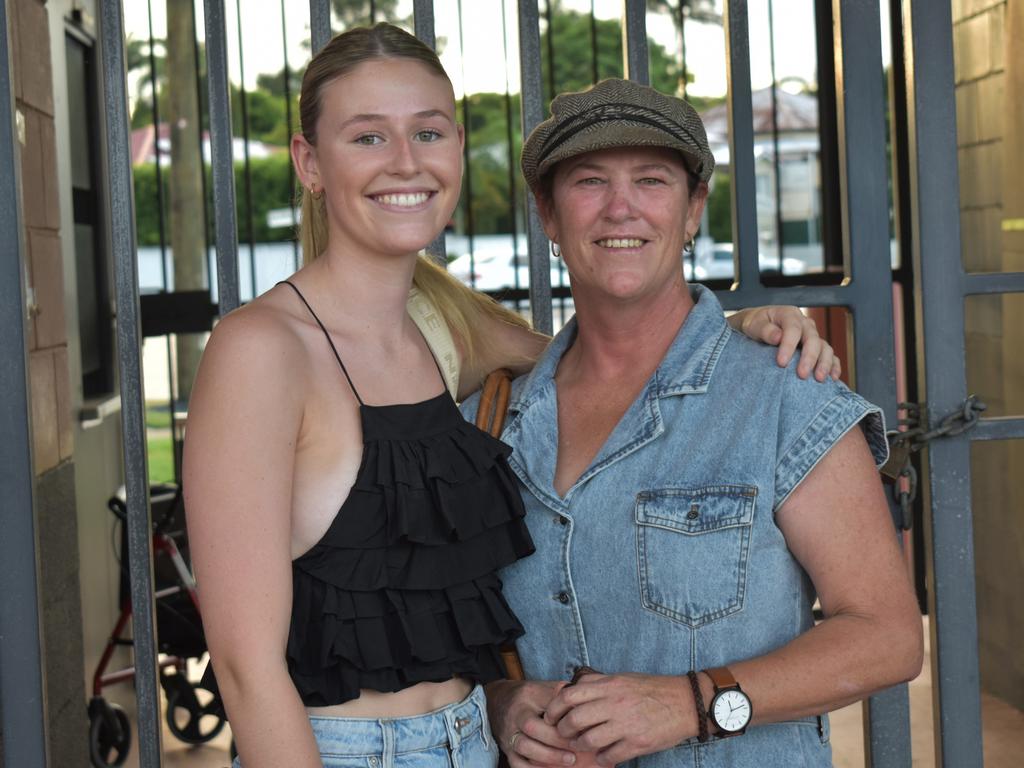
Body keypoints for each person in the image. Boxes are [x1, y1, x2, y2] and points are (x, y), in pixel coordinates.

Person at [183, 24, 843, 768]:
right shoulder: (260, 351)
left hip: (473, 742)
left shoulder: (445, 336)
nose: (406, 162)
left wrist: (738, 329)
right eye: (367, 138)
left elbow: (619, 355)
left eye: (427, 132)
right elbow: (243, 666)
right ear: (309, 163)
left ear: (457, 149)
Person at [473, 78, 924, 768]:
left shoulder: (784, 395)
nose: (621, 208)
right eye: (589, 181)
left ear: (693, 211)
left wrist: (693, 701)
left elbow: (888, 637)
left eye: (652, 180)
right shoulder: (489, 419)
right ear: (548, 214)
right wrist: (501, 705)